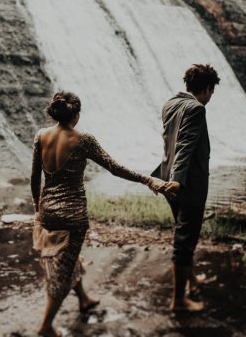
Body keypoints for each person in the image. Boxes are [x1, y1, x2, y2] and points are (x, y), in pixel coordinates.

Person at [31, 91, 165, 337]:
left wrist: (38, 209)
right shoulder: (84, 140)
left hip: (48, 211)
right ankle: (46, 326)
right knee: (63, 268)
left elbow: (34, 178)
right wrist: (148, 179)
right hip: (73, 217)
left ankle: (83, 298)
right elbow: (114, 167)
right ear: (77, 116)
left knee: (69, 256)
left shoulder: (41, 135)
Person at [152, 64, 220, 312]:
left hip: (167, 178)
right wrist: (180, 179)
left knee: (183, 234)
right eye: (212, 91)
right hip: (187, 185)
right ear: (208, 89)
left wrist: (171, 178)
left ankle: (192, 281)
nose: (211, 97)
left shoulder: (171, 103)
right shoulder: (196, 108)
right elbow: (185, 145)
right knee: (184, 241)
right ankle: (179, 301)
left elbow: (169, 142)